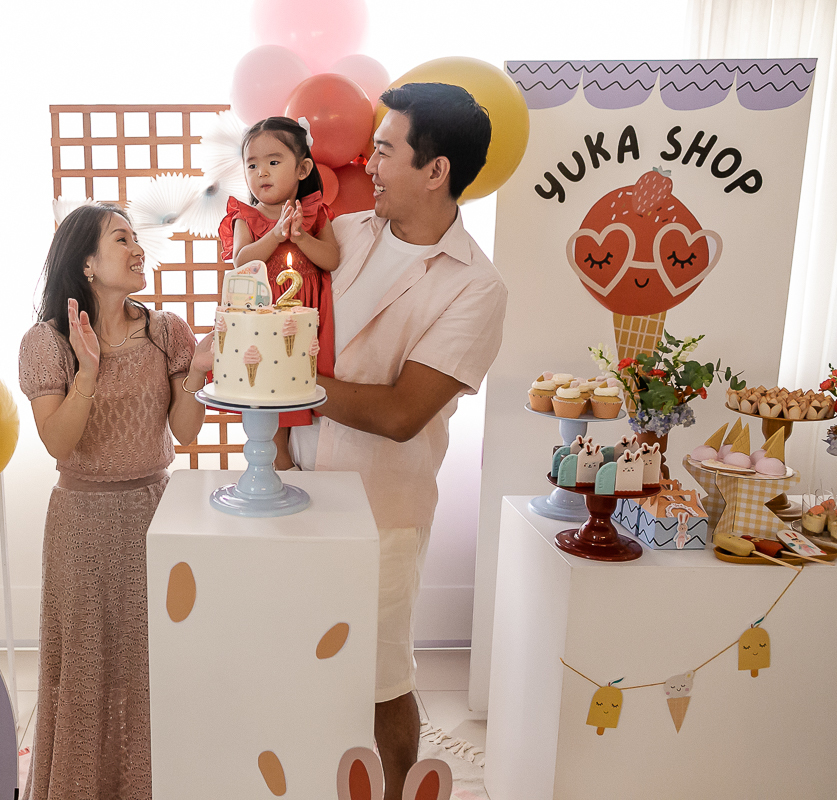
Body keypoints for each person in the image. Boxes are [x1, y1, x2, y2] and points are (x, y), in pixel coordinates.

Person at [288, 83, 507, 800]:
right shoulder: (347, 233)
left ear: (435, 170)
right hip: (295, 492)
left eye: (384, 150)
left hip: (384, 510)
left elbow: (402, 413)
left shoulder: (476, 287)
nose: (368, 163)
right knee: (298, 658)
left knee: (383, 679)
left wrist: (290, 380)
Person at [18, 203, 213, 800]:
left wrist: (198, 375)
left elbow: (185, 431)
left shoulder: (166, 331)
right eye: (121, 240)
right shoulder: (48, 342)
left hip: (158, 515)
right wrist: (90, 372)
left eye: (137, 241)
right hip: (82, 523)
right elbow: (59, 441)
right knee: (85, 667)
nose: (137, 251)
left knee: (153, 665)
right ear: (86, 262)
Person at [219, 115, 340, 468]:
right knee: (268, 413)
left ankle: (293, 477)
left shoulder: (314, 213)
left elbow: (331, 258)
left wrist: (301, 235)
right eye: (252, 165)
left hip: (306, 324)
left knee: (302, 399)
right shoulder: (246, 215)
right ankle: (277, 475)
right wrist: (275, 235)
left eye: (273, 162)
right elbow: (241, 261)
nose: (262, 173)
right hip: (260, 326)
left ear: (302, 169)